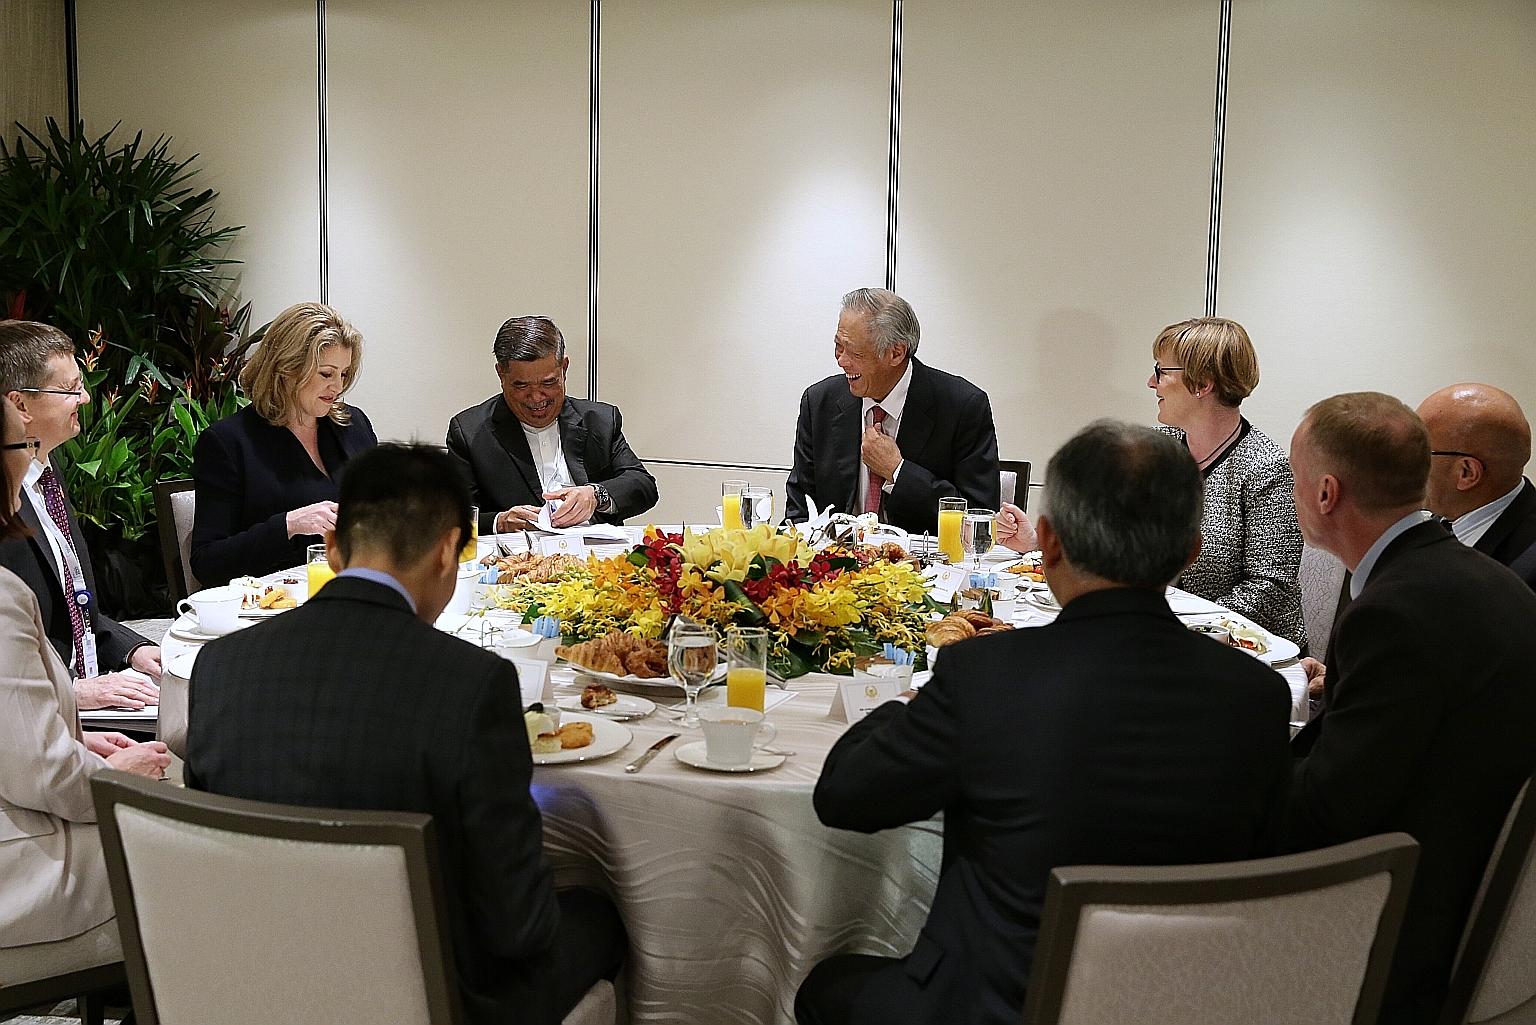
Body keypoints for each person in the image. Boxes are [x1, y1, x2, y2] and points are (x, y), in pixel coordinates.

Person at [797, 421, 1292, 1025]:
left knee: (826, 987)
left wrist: (906, 698)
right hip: (1178, 1004)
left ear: (1049, 543)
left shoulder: (987, 678)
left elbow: (844, 796)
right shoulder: (1261, 697)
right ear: (1190, 553)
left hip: (997, 1006)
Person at [184, 443, 624, 1025]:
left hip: (246, 981)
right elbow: (516, 926)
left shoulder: (219, 667)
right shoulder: (473, 684)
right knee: (605, 915)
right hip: (431, 996)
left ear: (335, 548)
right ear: (448, 552)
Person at [1284, 392, 1536, 1025]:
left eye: (1294, 478)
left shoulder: (1396, 610)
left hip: (1409, 923)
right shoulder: (1482, 578)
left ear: (1326, 494)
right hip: (1493, 898)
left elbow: (1330, 807)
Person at [1, 393, 170, 984]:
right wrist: (126, 773)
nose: (30, 466)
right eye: (22, 449)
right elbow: (48, 778)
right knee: (197, 847)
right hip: (15, 873)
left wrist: (69, 738)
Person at [0, 320, 162, 713]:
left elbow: (77, 605)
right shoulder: (5, 496)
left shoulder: (47, 471)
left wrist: (134, 649)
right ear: (19, 405)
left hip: (86, 688)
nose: (86, 398)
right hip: (39, 710)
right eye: (71, 389)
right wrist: (73, 691)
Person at [785, 288, 1000, 534]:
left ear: (896, 353)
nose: (841, 360)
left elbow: (979, 518)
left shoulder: (962, 406)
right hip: (839, 565)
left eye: (854, 352)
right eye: (838, 346)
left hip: (927, 565)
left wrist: (898, 471)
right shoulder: (819, 402)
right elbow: (799, 510)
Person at [190, 301, 378, 583]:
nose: (338, 386)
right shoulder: (227, 443)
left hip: (354, 589)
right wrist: (289, 525)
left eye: (343, 374)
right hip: (271, 605)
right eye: (326, 374)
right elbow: (207, 562)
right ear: (286, 369)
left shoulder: (353, 424)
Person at [1145, 316, 1304, 646]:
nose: (1151, 382)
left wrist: (1190, 632)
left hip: (1245, 650)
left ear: (1202, 384)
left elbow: (1270, 585)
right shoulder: (1154, 449)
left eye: (1161, 371)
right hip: (1162, 634)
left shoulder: (1265, 466)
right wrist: (1037, 545)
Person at [447, 316, 657, 533]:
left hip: (597, 557)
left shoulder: (600, 420)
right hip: (520, 559)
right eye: (521, 385)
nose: (537, 397)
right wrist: (498, 522)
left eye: (549, 382)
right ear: (501, 373)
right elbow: (451, 518)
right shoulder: (469, 432)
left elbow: (643, 485)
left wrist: (595, 495)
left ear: (564, 368)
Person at [1416, 382, 1536, 588]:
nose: (1403, 464)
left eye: (1417, 452)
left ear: (1467, 473)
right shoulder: (1426, 529)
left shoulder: (1524, 577)